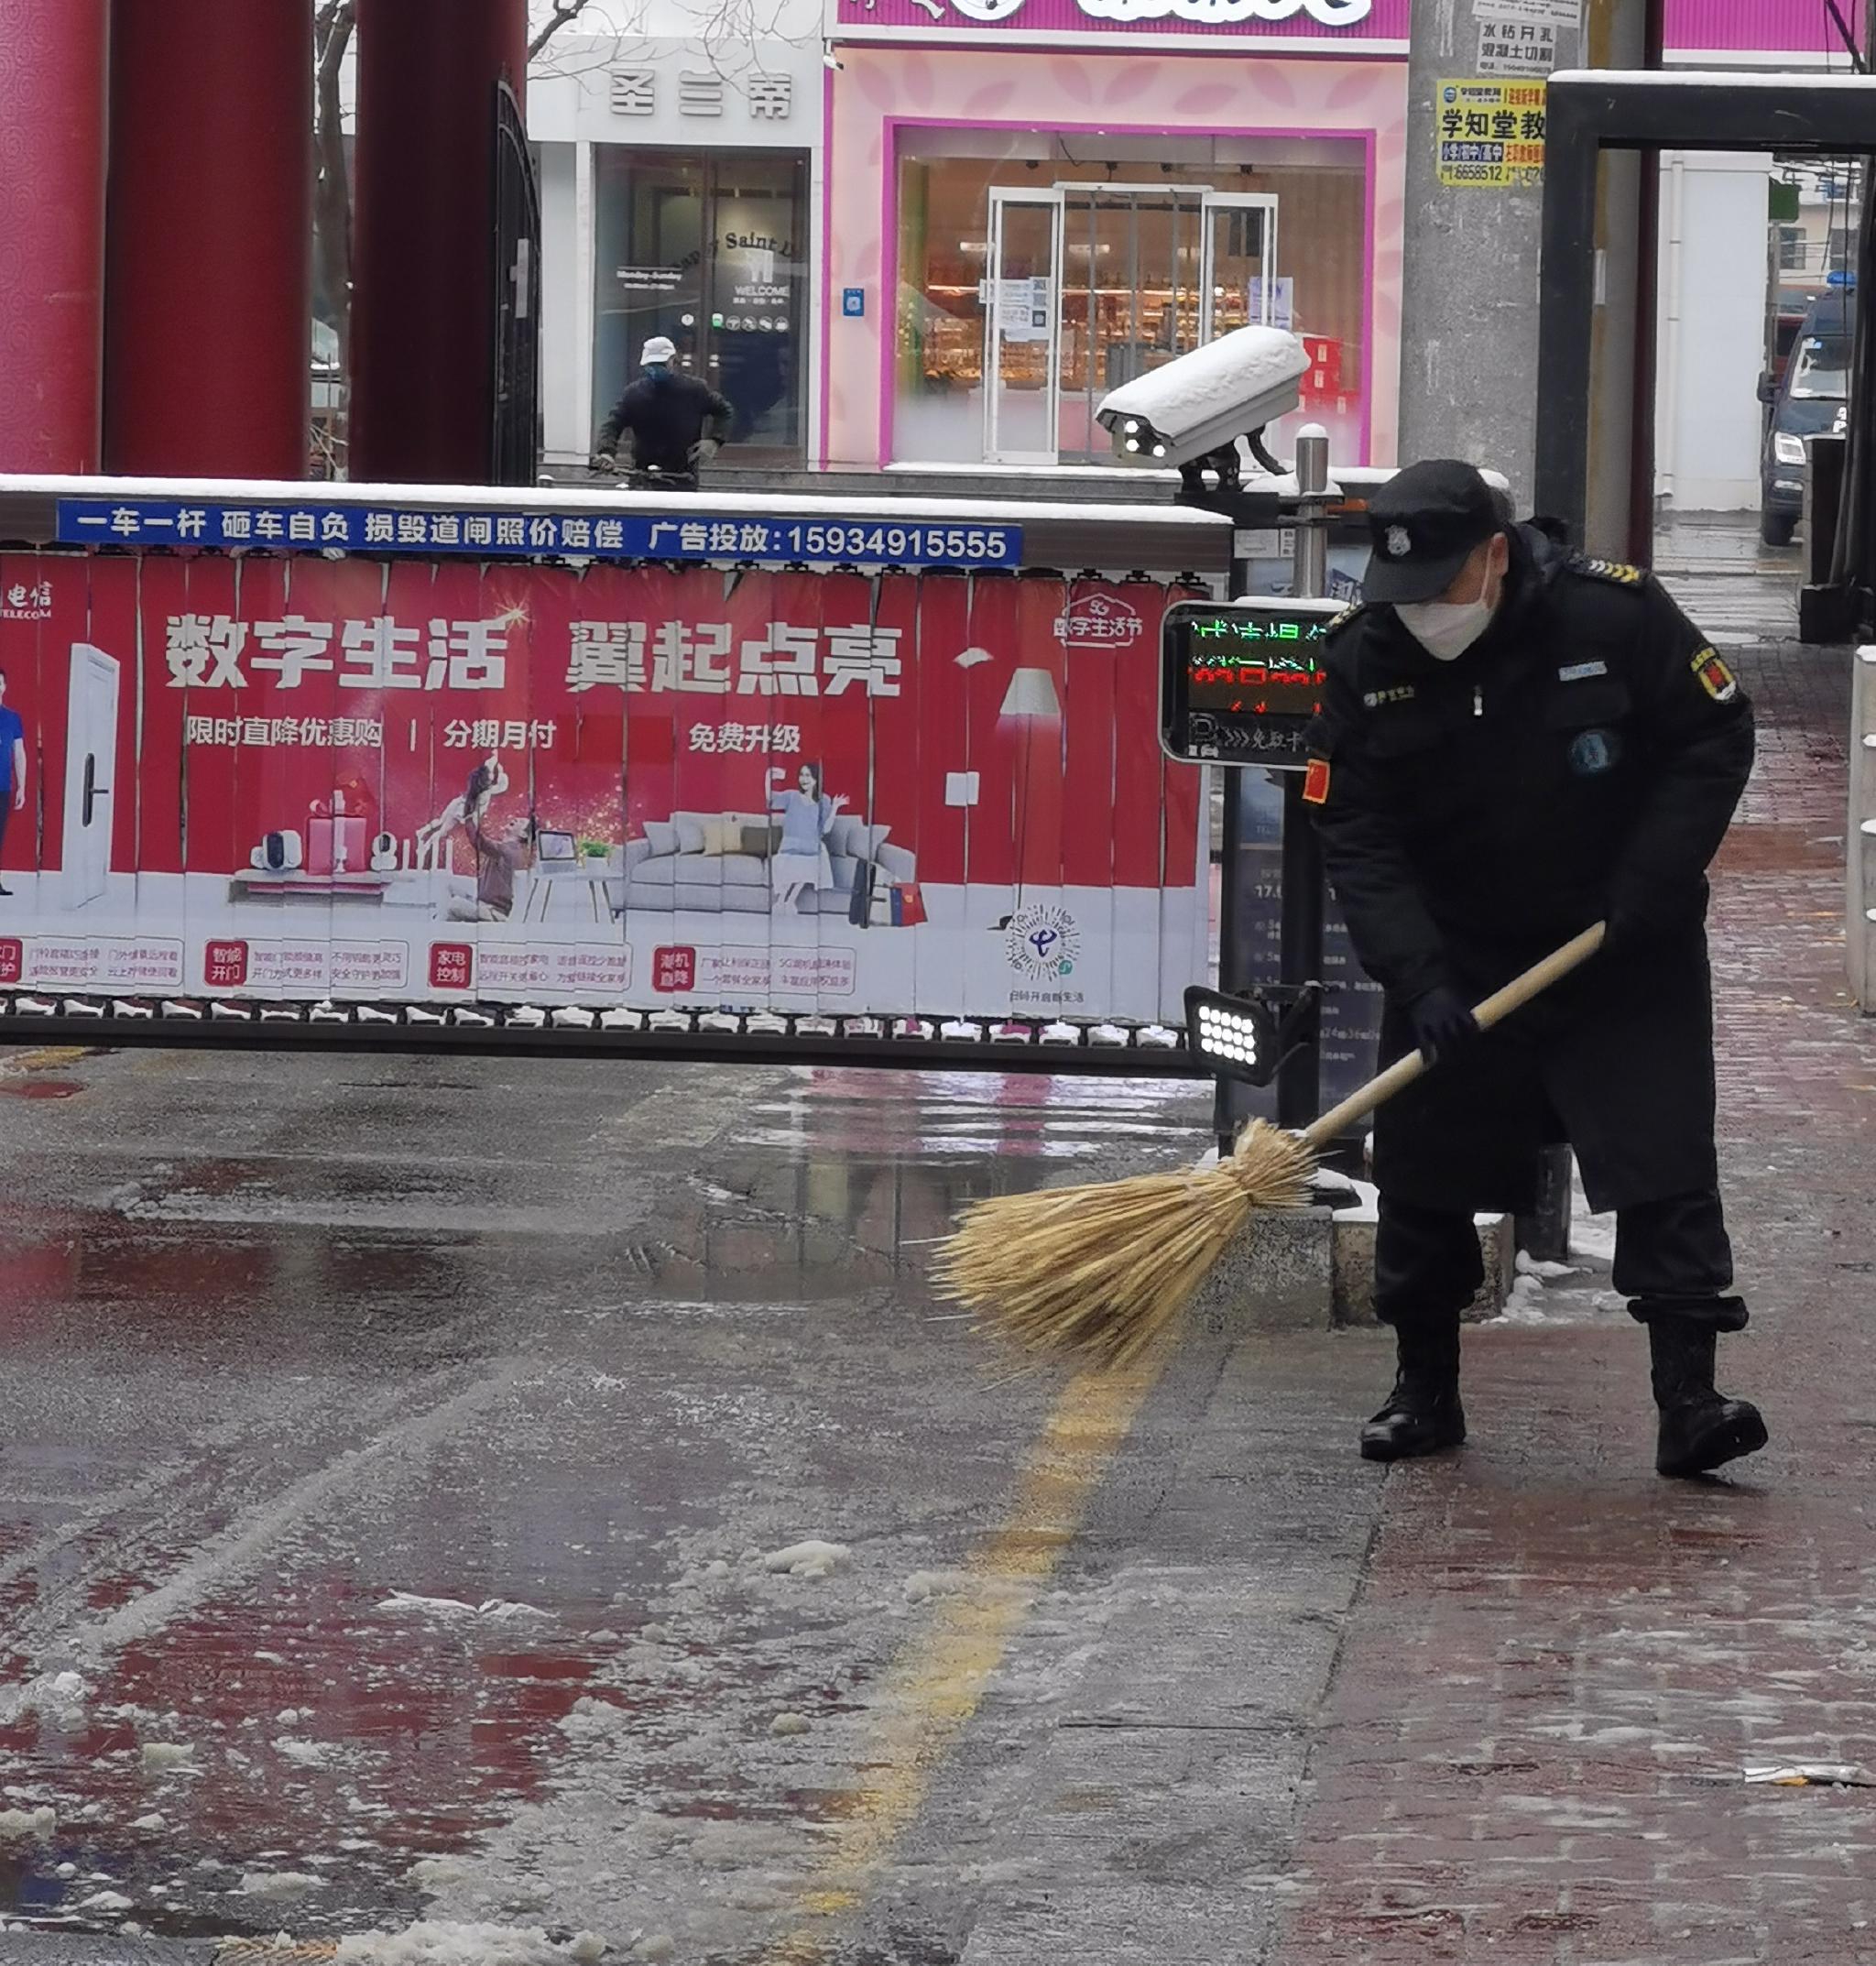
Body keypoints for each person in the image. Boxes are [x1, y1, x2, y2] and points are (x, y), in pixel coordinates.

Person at [1304, 458, 1765, 1480]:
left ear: (1495, 555)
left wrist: (1652, 877)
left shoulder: (1612, 620)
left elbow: (1712, 734)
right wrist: (1415, 977)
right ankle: (1422, 1389)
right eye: (1399, 591)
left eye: (1437, 583)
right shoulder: (1360, 656)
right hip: (1459, 956)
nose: (1418, 610)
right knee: (1422, 1174)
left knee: (1661, 1165)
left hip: (1617, 942)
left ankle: (1688, 1399)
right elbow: (1355, 827)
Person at [592, 336, 733, 483]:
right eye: (651, 365)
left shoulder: (695, 390)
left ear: (673, 360)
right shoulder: (634, 394)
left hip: (682, 476)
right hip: (641, 474)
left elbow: (725, 411)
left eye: (660, 364)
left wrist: (714, 441)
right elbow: (612, 424)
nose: (655, 369)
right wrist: (606, 452)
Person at [768, 762, 845, 912]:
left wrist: (835, 808)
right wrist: (768, 778)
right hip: (790, 846)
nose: (803, 779)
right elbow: (770, 800)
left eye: (808, 775)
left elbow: (826, 829)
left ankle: (789, 901)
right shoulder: (791, 796)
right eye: (801, 775)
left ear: (816, 779)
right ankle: (781, 901)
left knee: (809, 866)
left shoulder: (824, 800)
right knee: (788, 866)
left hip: (811, 846)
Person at [0, 668, 23, 899]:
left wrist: (22, 786)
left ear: (4, 687)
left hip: (3, 788)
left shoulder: (12, 718)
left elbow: (19, 754)